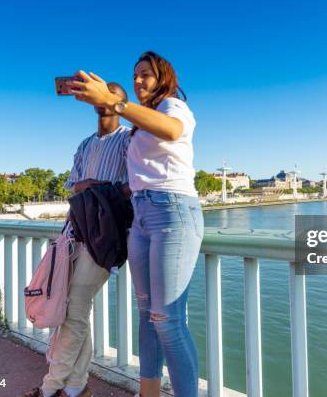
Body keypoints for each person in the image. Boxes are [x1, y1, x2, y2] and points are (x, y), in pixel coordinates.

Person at [65, 52, 203, 397]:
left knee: (169, 321)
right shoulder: (139, 127)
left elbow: (172, 132)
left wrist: (116, 103)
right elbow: (136, 178)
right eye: (135, 75)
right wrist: (101, 190)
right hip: (140, 216)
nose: (139, 81)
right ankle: (149, 393)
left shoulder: (173, 107)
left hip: (172, 211)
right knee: (148, 315)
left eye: (146, 75)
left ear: (164, 78)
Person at [21, 82, 132, 397]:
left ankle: (50, 388)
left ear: (122, 103)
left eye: (114, 95)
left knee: (74, 309)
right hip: (75, 232)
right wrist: (96, 186)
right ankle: (77, 388)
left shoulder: (128, 140)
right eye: (103, 93)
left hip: (105, 237)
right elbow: (73, 185)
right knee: (75, 310)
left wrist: (92, 185)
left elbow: (129, 186)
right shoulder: (85, 144)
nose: (105, 100)